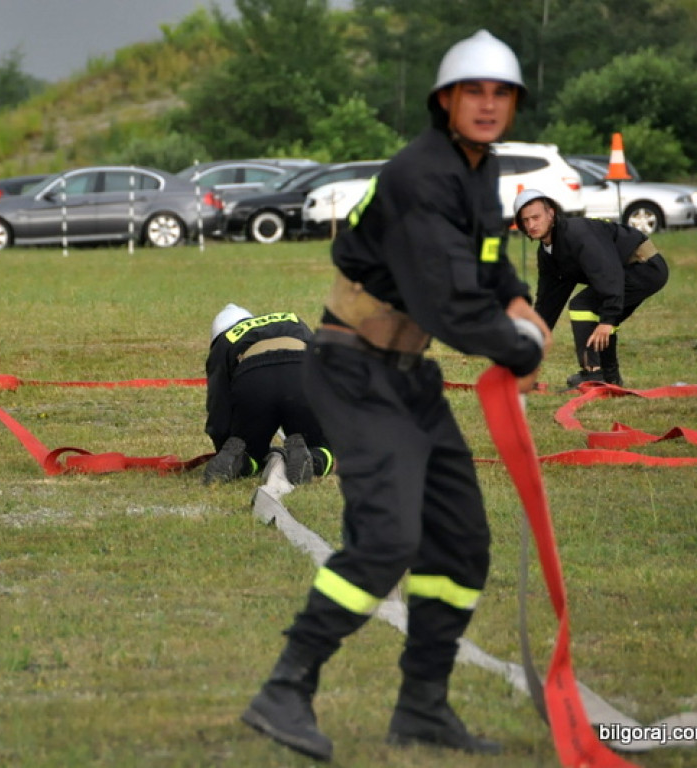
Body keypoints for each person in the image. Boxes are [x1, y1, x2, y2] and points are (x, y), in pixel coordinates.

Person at [240, 30, 549, 761]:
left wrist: (519, 300)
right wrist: (519, 346)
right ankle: (285, 689)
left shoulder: (480, 165)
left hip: (410, 378)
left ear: (512, 104)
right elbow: (445, 303)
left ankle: (422, 706)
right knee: (385, 541)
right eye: (471, 91)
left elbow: (485, 257)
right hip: (355, 372)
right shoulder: (420, 173)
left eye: (499, 92)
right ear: (444, 101)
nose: (485, 103)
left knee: (461, 543)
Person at [514, 188, 669, 388]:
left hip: (644, 267)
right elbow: (548, 302)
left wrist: (609, 317)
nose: (531, 225)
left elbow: (608, 272)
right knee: (598, 316)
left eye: (536, 217)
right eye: (525, 221)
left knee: (584, 306)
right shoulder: (548, 252)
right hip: (626, 272)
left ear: (551, 213)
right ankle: (611, 379)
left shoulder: (577, 234)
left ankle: (594, 374)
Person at [204, 304, 333, 485]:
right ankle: (312, 458)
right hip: (300, 374)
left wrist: (225, 443)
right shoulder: (292, 319)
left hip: (254, 381)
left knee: (251, 453)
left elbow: (218, 402)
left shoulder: (225, 341)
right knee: (324, 447)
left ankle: (239, 461)